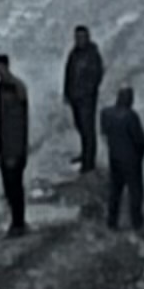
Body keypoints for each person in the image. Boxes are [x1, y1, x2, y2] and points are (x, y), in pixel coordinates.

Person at [0, 54, 33, 236]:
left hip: (15, 146)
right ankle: (16, 222)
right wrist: (0, 150)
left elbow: (20, 122)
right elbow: (0, 120)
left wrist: (16, 150)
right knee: (8, 186)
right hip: (6, 146)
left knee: (15, 186)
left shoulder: (17, 87)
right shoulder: (0, 88)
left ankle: (19, 223)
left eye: (1, 68)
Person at [98, 84, 144, 231]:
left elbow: (104, 133)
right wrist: (140, 154)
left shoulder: (106, 113)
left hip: (114, 157)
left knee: (115, 191)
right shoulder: (131, 116)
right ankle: (137, 221)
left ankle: (111, 220)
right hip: (131, 159)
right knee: (135, 192)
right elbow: (140, 140)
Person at [60, 24, 105, 176]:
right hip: (75, 98)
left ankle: (89, 162)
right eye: (77, 37)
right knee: (80, 126)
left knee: (88, 129)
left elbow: (96, 76)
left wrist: (87, 92)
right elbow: (68, 73)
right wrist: (67, 92)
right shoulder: (74, 54)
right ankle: (85, 153)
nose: (79, 40)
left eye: (82, 37)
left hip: (86, 99)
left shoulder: (92, 54)